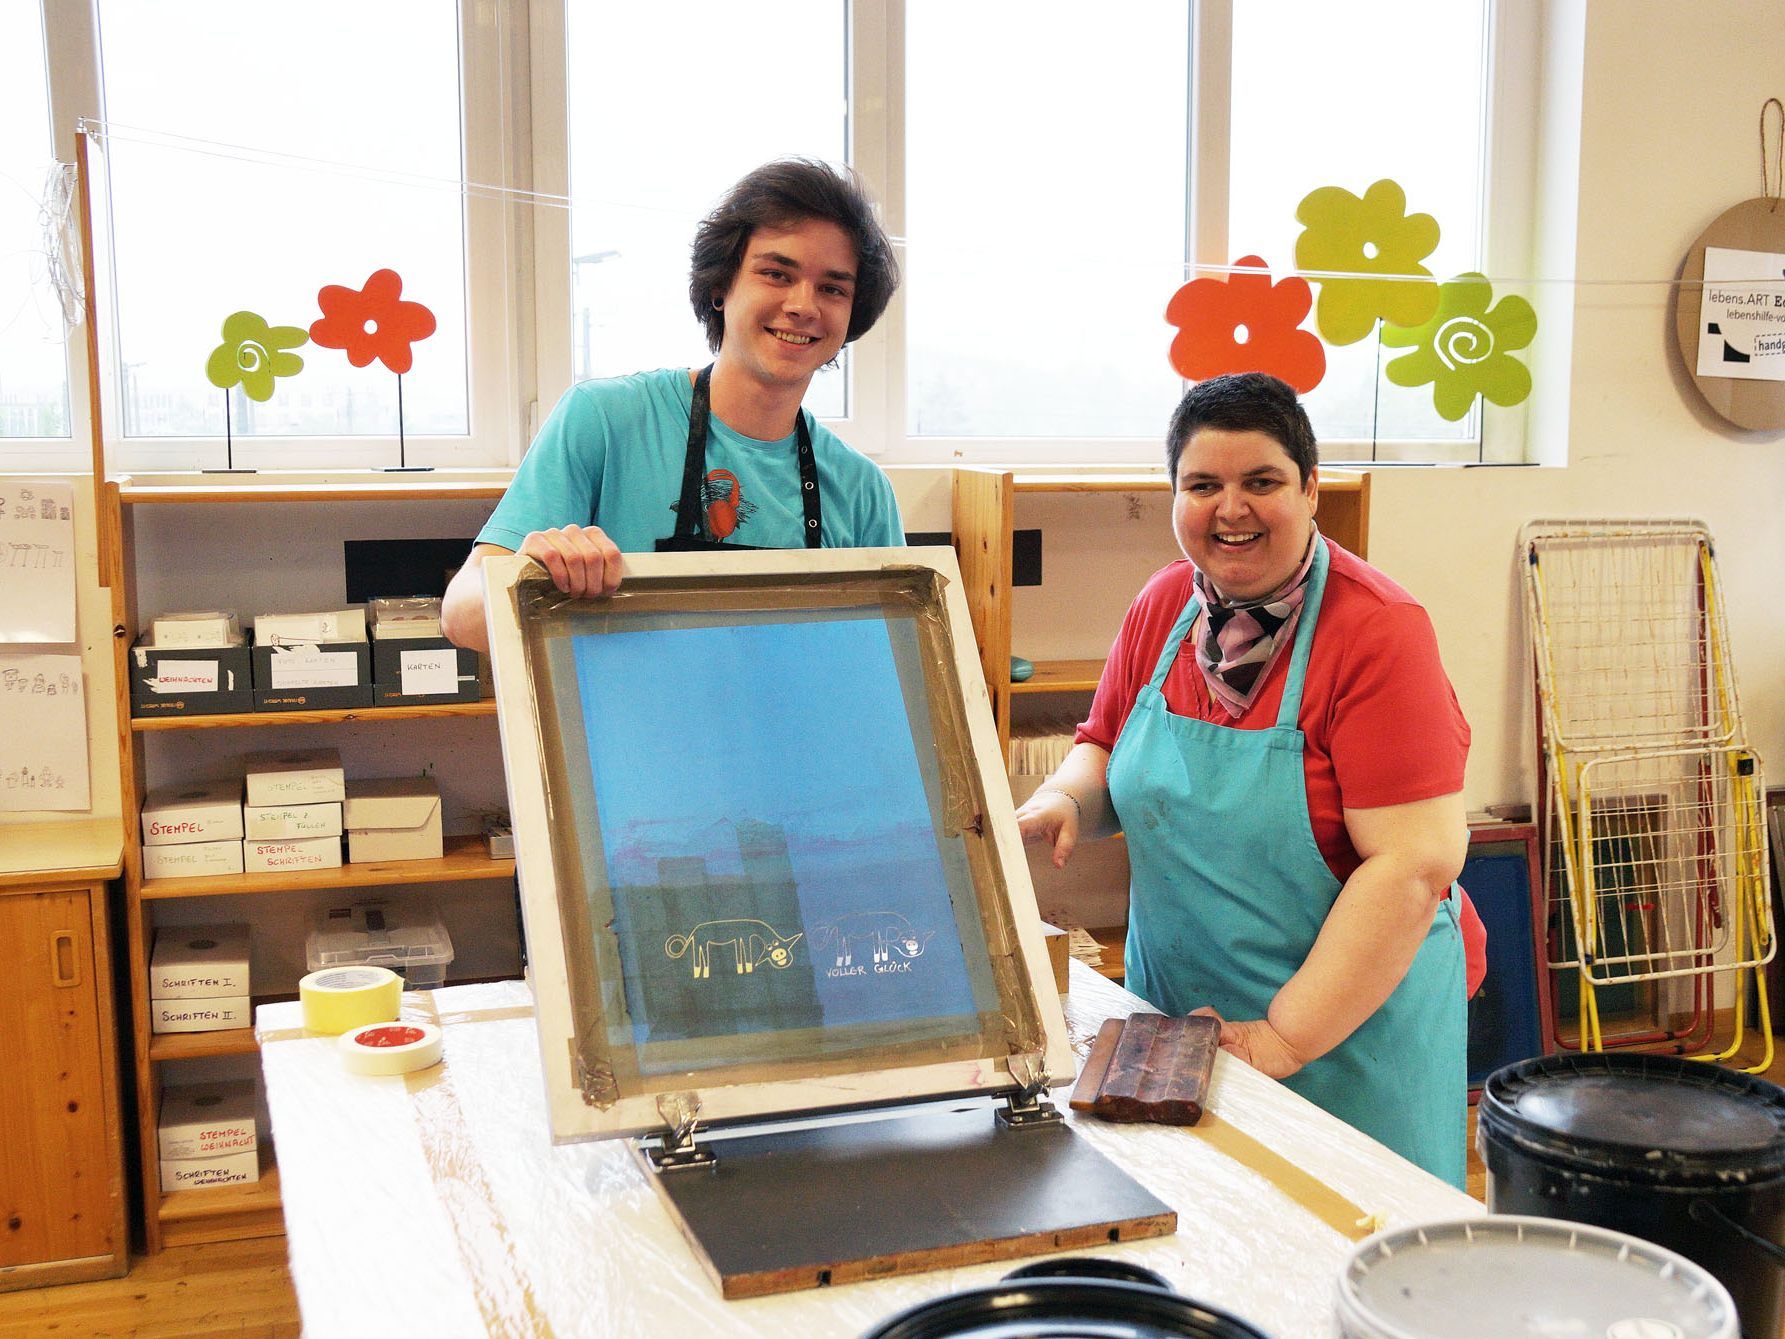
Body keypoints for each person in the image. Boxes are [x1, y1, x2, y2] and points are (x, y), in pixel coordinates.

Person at [1015, 372, 1479, 1187]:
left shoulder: (1376, 632)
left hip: (1342, 1033)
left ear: (1308, 488)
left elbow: (1413, 867)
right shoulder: (1165, 604)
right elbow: (1102, 744)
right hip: (1175, 1021)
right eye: (1202, 484)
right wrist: (1063, 800)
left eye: (1260, 481)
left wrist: (1285, 1037)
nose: (1230, 508)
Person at [443, 158, 904, 652]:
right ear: (720, 286)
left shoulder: (861, 490)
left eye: (833, 288)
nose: (803, 305)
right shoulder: (604, 420)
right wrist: (529, 582)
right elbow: (461, 615)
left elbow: (895, 661)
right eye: (775, 273)